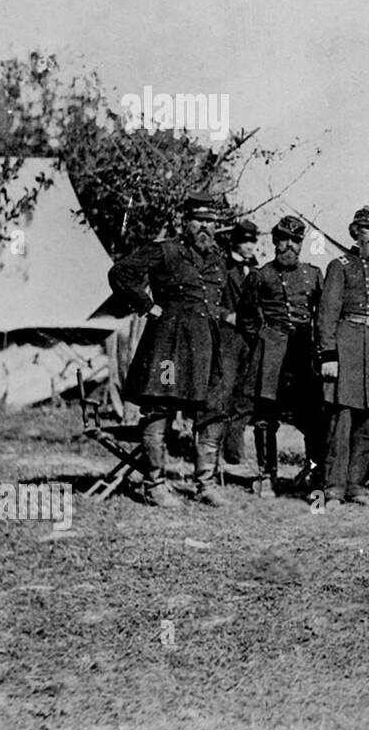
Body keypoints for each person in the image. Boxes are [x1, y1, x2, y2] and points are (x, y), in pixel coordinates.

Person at [107, 193, 231, 507]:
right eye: (199, 221)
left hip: (205, 347)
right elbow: (120, 272)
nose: (206, 227)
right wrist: (147, 305)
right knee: (159, 408)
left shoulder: (218, 258)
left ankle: (204, 485)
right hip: (169, 347)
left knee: (213, 409)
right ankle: (155, 485)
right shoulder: (165, 250)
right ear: (184, 222)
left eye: (211, 222)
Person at [318, 206, 369, 507]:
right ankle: (333, 489)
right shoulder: (339, 266)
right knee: (341, 424)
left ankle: (355, 485)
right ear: (355, 232)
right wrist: (328, 354)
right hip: (348, 348)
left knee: (367, 424)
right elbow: (327, 314)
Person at [238, 215, 325, 497]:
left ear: (301, 244)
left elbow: (322, 316)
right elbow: (247, 319)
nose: (289, 245)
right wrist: (264, 341)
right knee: (265, 418)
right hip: (270, 356)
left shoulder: (313, 275)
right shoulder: (260, 276)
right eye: (284, 239)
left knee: (312, 418)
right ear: (275, 241)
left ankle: (312, 471)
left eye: (295, 241)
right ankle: (266, 476)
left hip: (302, 355)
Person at [218, 217, 260, 472]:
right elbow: (209, 300)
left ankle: (235, 455)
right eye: (245, 241)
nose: (250, 246)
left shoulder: (255, 269)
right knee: (223, 394)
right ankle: (214, 453)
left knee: (245, 398)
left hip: (249, 341)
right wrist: (227, 315)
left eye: (253, 241)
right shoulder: (222, 267)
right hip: (228, 339)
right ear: (235, 242)